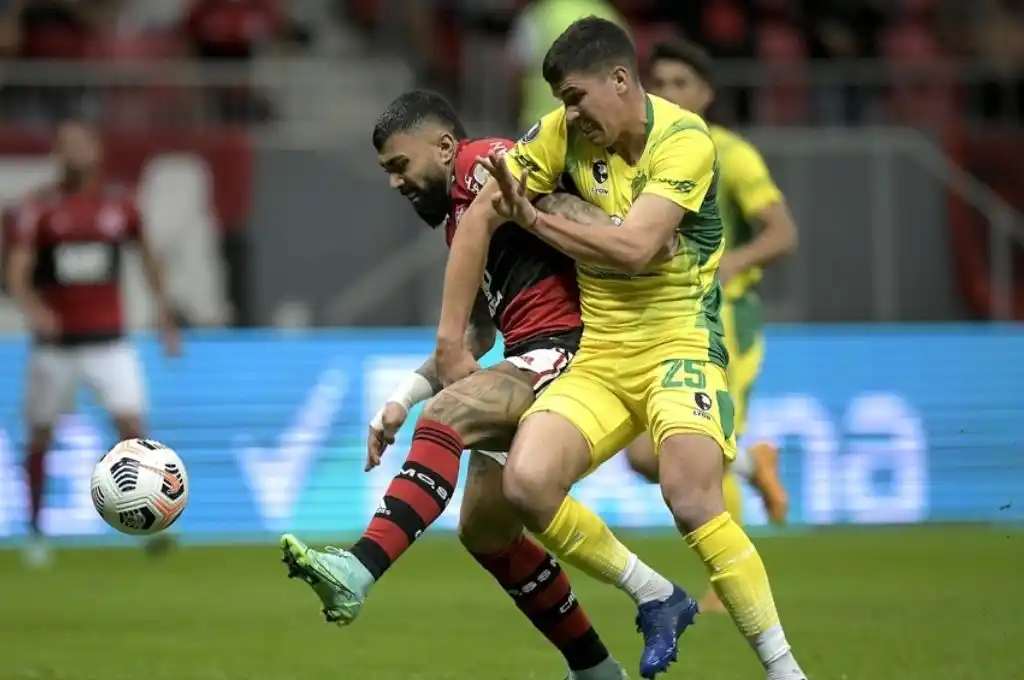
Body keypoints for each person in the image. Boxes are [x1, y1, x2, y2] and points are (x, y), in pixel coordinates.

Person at [434, 18, 808, 680]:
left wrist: (539, 217)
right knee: (527, 482)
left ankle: (785, 672)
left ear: (619, 80)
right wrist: (449, 339)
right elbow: (482, 212)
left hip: (680, 345)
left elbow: (637, 251)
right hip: (602, 356)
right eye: (560, 101)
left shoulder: (686, 140)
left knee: (690, 496)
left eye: (576, 97)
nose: (569, 114)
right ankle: (656, 593)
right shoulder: (562, 134)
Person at [278, 90, 691, 680]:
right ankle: (600, 669)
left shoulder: (489, 164)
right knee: (486, 530)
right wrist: (400, 398)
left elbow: (558, 204)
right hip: (531, 353)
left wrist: (627, 234)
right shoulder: (460, 218)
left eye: (400, 165)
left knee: (448, 418)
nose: (395, 184)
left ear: (445, 147)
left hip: (572, 347)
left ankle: (359, 568)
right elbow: (474, 332)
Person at [625, 38, 799, 613]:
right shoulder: (642, 156)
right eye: (662, 84)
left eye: (681, 84)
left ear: (706, 94)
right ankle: (757, 465)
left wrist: (736, 262)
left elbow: (782, 232)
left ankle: (729, 586)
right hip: (666, 317)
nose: (669, 94)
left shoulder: (731, 153)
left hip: (725, 318)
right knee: (642, 456)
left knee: (704, 444)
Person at [6, 118, 180, 567]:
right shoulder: (39, 208)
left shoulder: (120, 205)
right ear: (57, 154)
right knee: (40, 434)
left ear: (97, 151)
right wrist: (34, 309)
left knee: (133, 431)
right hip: (56, 347)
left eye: (81, 144)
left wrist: (164, 315)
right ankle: (36, 531)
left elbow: (148, 256)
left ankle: (146, 526)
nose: (74, 153)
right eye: (65, 145)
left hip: (110, 343)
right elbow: (17, 272)